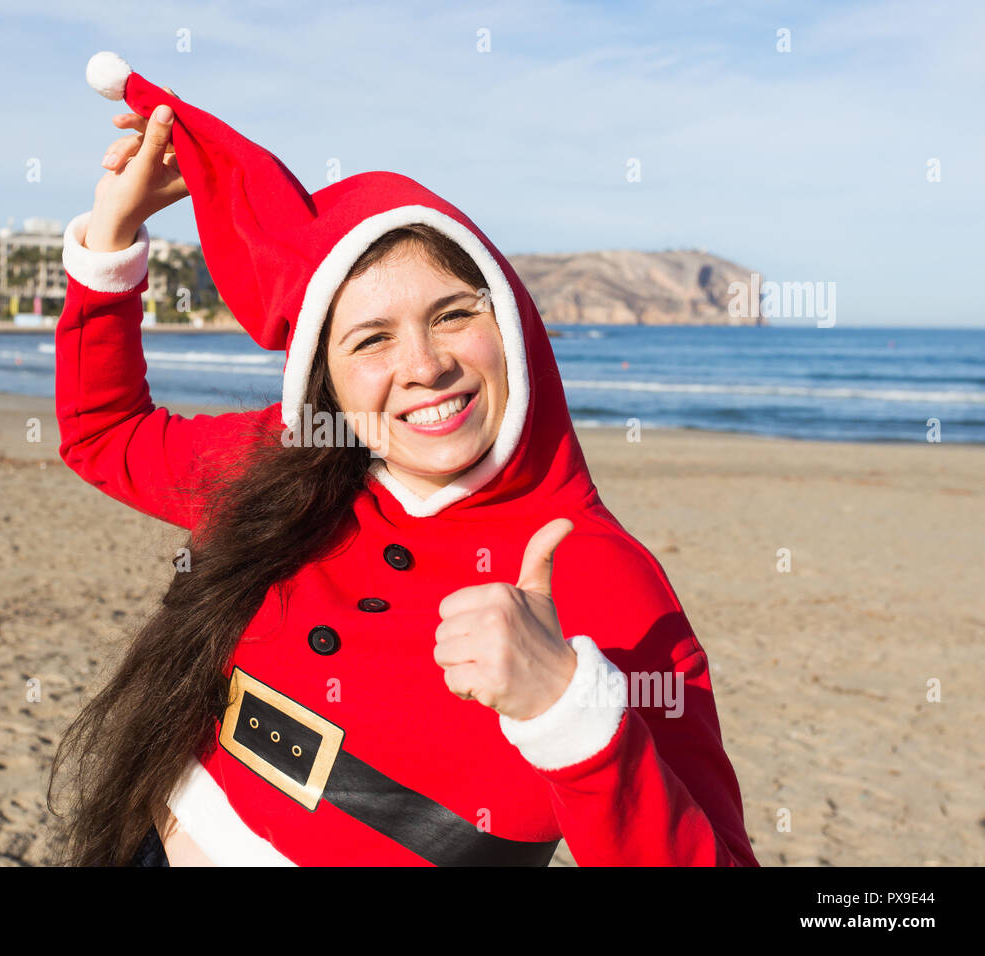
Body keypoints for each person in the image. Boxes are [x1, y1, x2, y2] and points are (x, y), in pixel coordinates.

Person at [47, 57, 758, 867]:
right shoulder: (293, 465)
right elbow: (104, 433)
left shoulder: (599, 575)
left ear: (512, 326)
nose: (424, 366)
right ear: (328, 375)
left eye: (454, 315)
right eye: (372, 339)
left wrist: (567, 710)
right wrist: (111, 245)